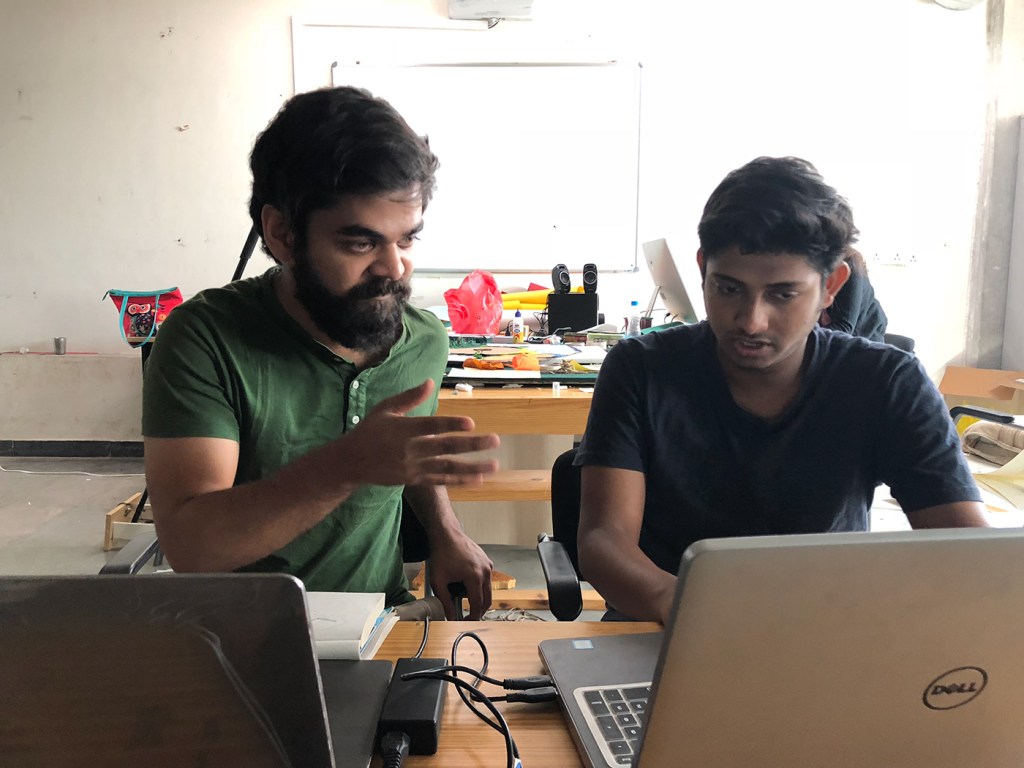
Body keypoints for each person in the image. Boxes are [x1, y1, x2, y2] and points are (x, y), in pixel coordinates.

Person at [575, 156, 988, 624]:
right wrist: (685, 607)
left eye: (783, 294)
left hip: (825, 631)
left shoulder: (887, 381)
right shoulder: (640, 368)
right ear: (703, 269)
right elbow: (604, 540)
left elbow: (969, 554)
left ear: (831, 286)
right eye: (728, 289)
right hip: (661, 626)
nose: (751, 320)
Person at [141, 86, 500, 620]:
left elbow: (403, 451)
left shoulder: (424, 340)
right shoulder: (204, 340)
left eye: (406, 240)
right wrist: (348, 464)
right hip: (240, 636)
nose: (394, 267)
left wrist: (447, 531)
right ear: (282, 234)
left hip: (384, 623)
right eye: (360, 243)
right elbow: (193, 548)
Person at [819, 245, 887, 341]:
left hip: (865, 339)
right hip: (832, 337)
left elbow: (844, 327)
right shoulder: (808, 263)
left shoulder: (850, 262)